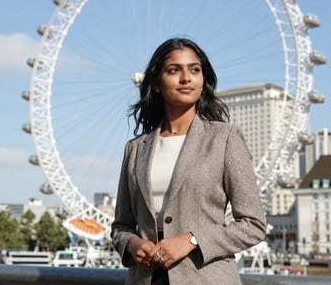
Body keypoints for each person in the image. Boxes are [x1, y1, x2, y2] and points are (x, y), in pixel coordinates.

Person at [111, 37, 266, 285]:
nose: (186, 78)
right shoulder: (135, 150)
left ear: (203, 80)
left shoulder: (224, 138)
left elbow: (253, 225)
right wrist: (132, 243)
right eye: (174, 70)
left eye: (194, 70)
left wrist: (192, 240)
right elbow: (121, 226)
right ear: (157, 83)